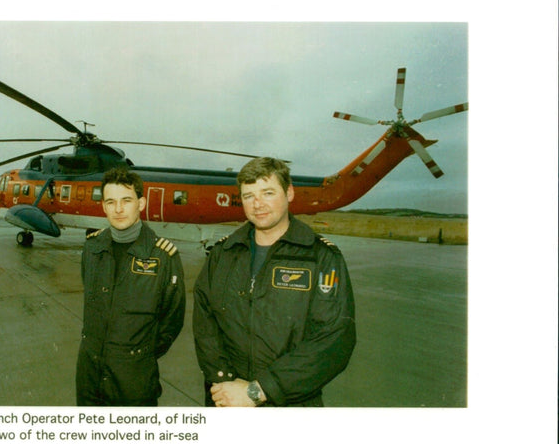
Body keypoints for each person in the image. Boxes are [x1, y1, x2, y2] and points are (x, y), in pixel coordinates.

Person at [193, 157, 356, 407]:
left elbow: (333, 339)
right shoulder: (223, 254)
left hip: (290, 404)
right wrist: (224, 385)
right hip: (226, 400)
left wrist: (257, 391)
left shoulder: (321, 257)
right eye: (248, 196)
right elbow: (205, 326)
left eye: (268, 193)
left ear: (289, 193)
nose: (258, 204)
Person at [76, 166, 186, 406]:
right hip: (89, 380)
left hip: (133, 383)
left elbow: (172, 320)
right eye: (111, 202)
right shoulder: (92, 249)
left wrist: (137, 355)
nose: (118, 209)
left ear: (141, 203)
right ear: (103, 206)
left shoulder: (163, 256)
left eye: (126, 200)